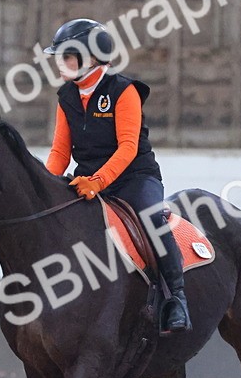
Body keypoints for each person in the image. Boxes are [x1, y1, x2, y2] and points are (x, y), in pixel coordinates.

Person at [42, 18, 190, 335]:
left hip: (134, 178)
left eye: (66, 56)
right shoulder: (66, 97)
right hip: (86, 181)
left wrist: (98, 182)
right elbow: (59, 154)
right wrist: (41, 187)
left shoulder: (124, 91)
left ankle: (176, 299)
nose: (59, 64)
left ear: (91, 57)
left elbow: (127, 148)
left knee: (151, 218)